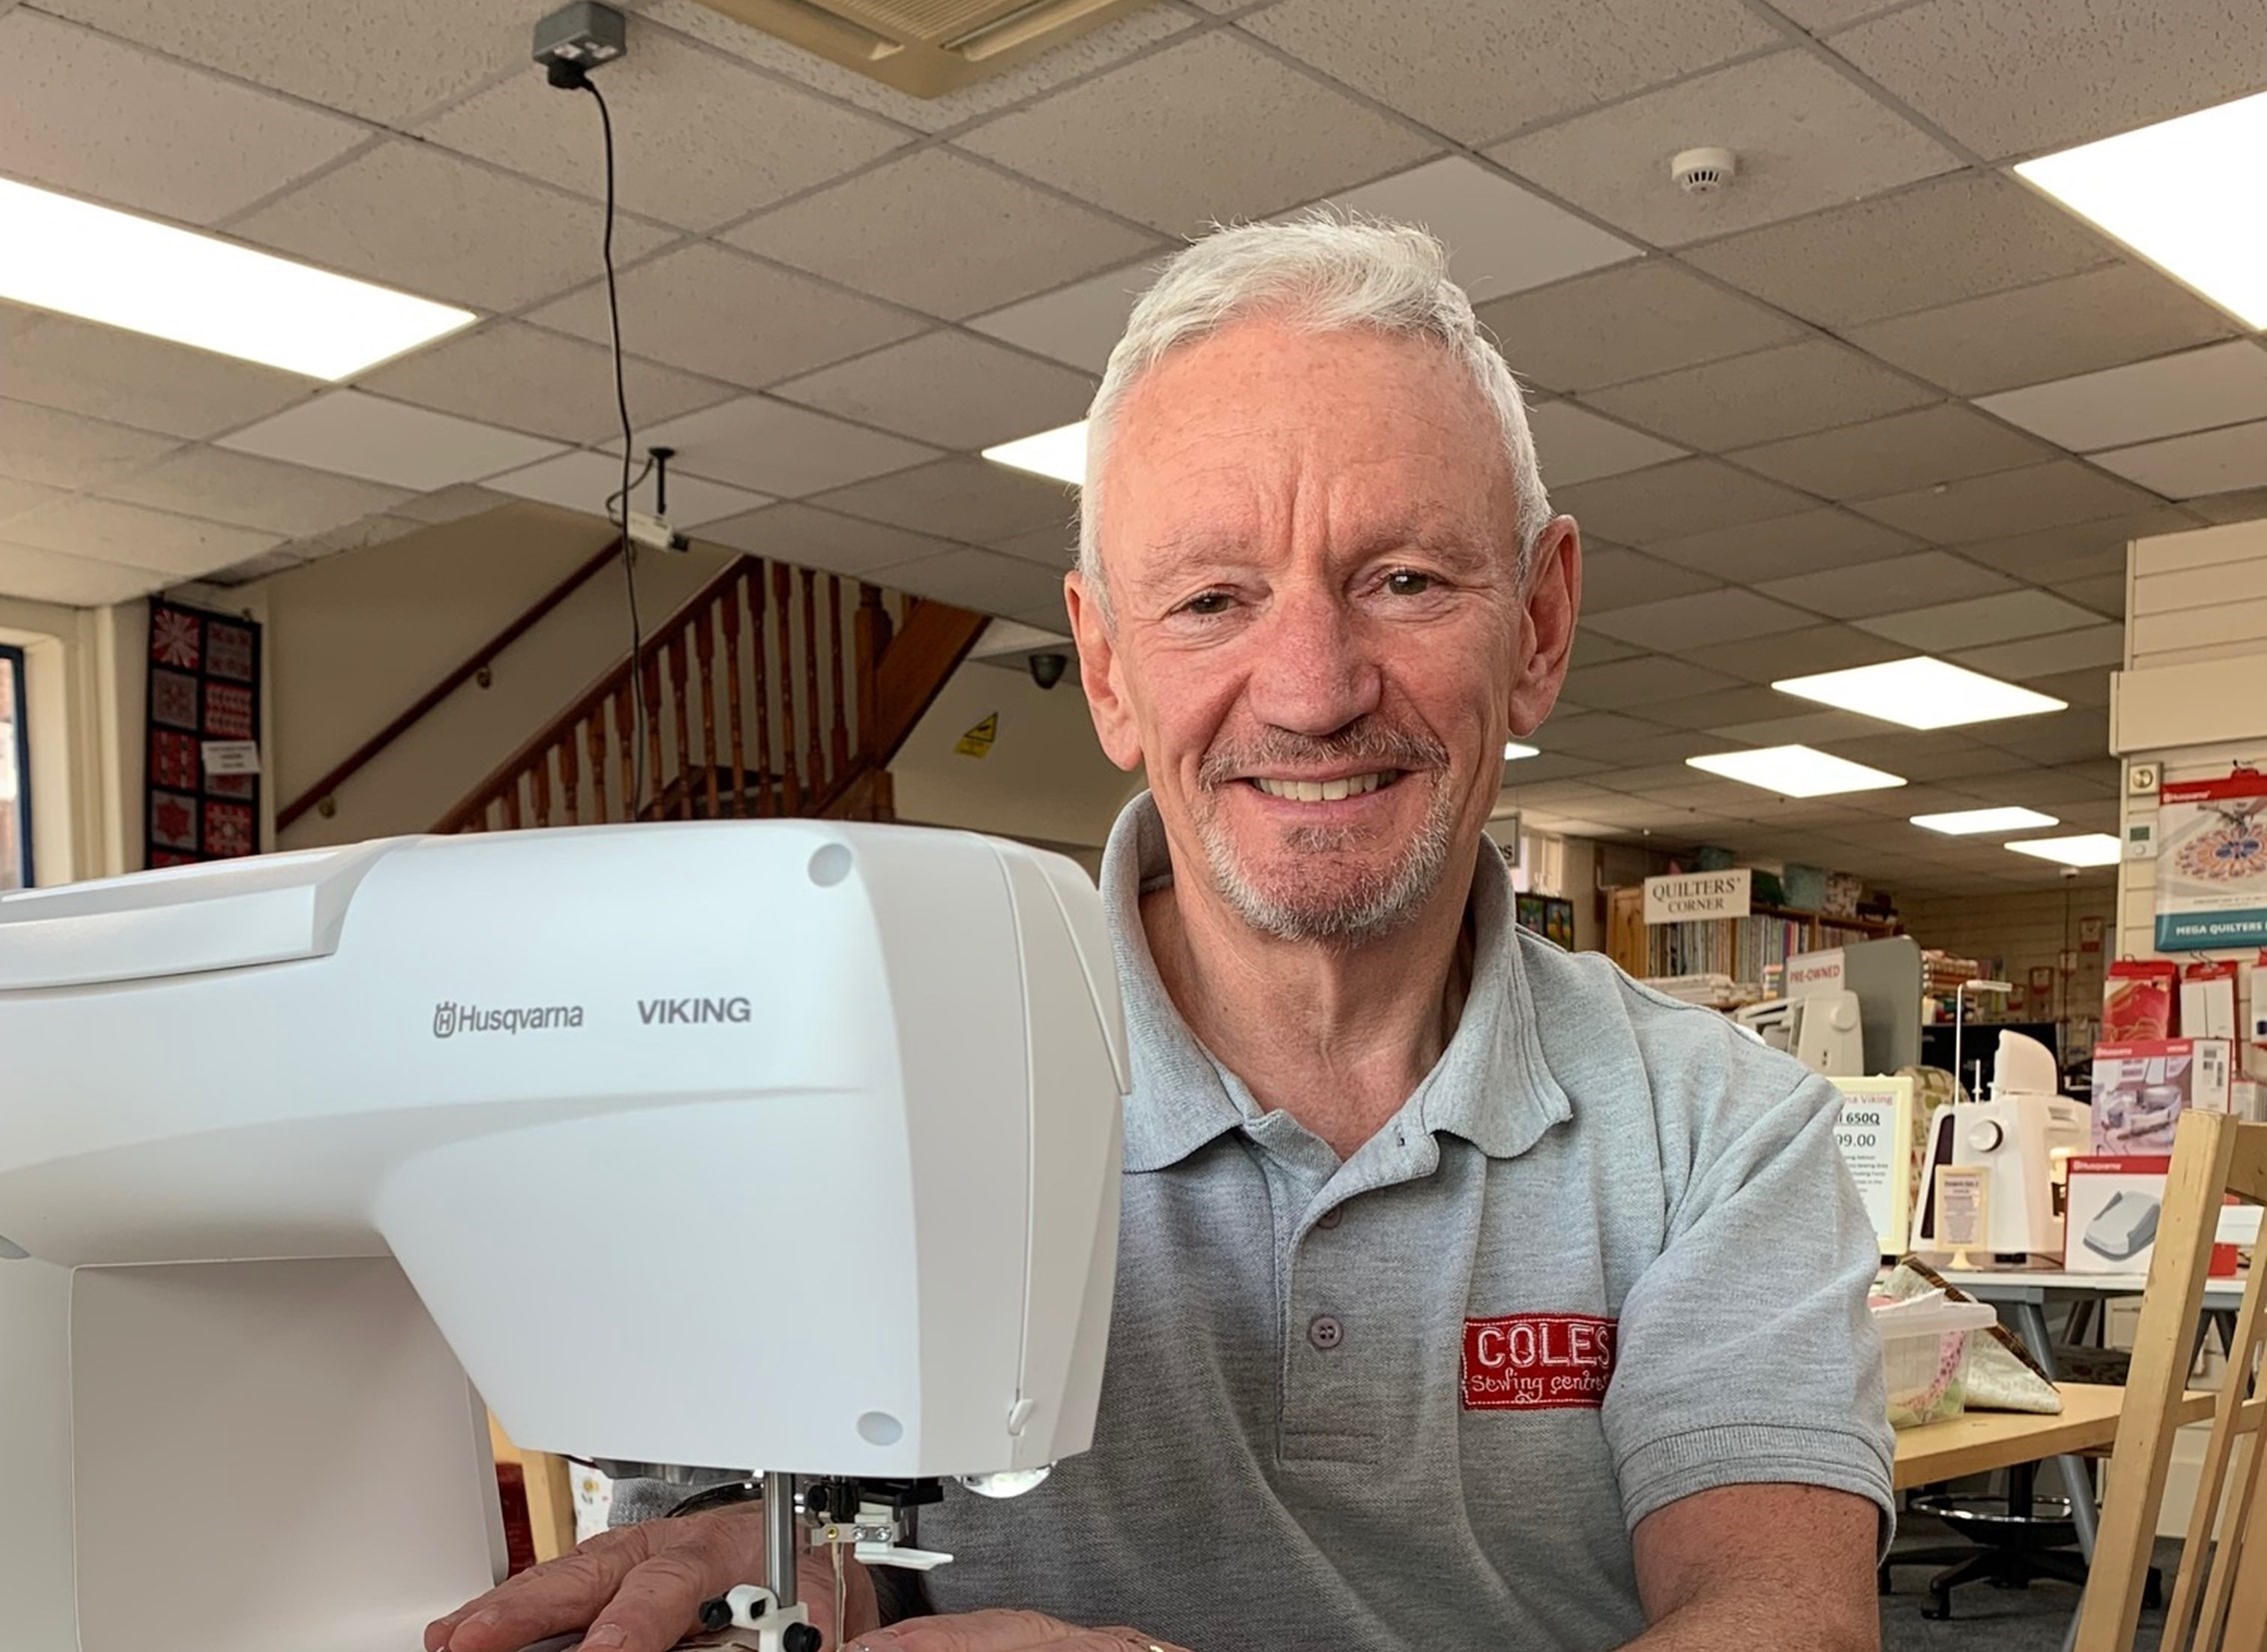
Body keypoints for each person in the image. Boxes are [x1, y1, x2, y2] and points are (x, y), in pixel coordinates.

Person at [428, 216, 1892, 1652]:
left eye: (1404, 580)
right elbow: (783, 1548)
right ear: (1111, 668)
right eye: (1211, 599)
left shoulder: (1719, 1133)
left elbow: (1786, 1623)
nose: (1312, 689)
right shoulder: (857, 1084)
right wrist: (805, 1575)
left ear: (1542, 623)